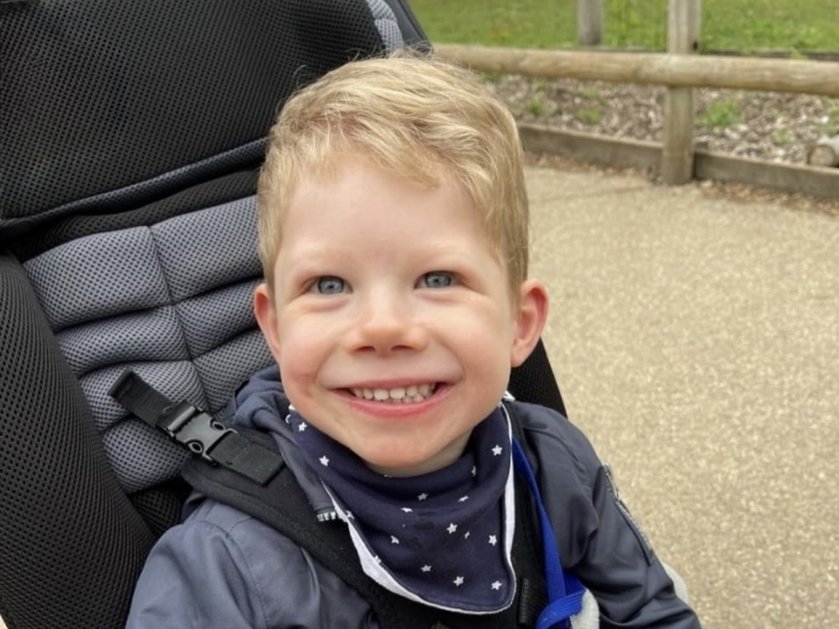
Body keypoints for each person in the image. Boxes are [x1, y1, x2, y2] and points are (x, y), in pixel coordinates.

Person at [126, 51, 701, 628]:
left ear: (520, 324)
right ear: (274, 328)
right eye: (329, 284)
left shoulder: (554, 468)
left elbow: (654, 612)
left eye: (438, 279)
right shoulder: (229, 565)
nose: (383, 328)